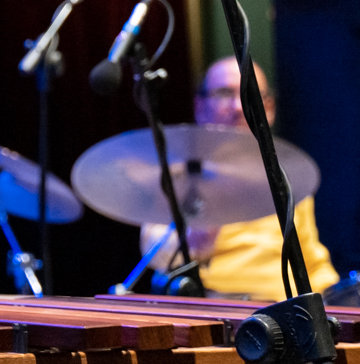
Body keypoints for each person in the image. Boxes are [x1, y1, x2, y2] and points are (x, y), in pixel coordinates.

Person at [140, 56, 337, 296]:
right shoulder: (180, 174)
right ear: (200, 107)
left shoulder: (288, 177)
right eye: (224, 93)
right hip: (216, 310)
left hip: (287, 316)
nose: (236, 107)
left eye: (249, 93)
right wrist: (198, 238)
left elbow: (314, 265)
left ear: (269, 108)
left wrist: (341, 303)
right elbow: (154, 251)